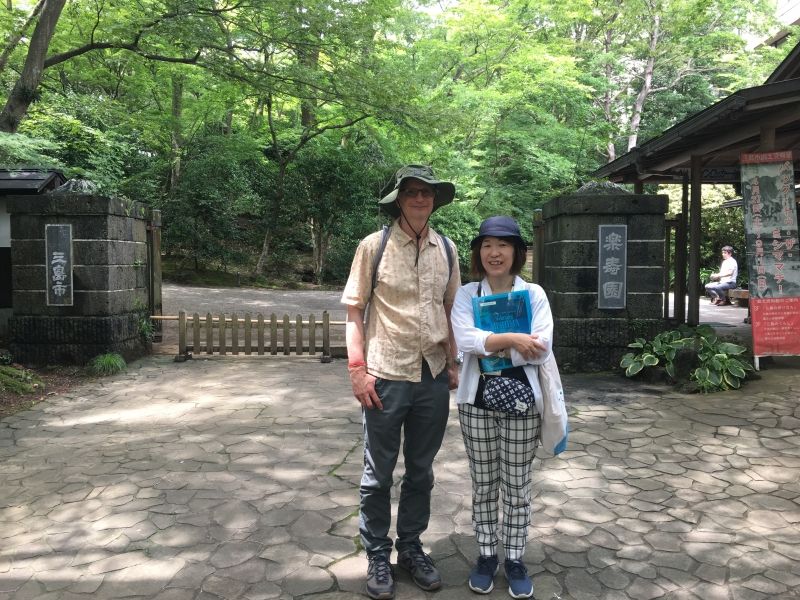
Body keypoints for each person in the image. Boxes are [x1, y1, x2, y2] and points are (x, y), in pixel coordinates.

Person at [341, 164, 461, 600]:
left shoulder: (446, 249)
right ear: (398, 198)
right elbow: (354, 311)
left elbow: (449, 312)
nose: (419, 198)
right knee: (378, 474)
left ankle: (411, 546)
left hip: (430, 375)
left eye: (426, 192)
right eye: (411, 191)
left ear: (434, 199)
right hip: (385, 376)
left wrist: (452, 363)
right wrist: (357, 370)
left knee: (422, 471)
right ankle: (377, 551)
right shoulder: (374, 246)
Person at [451, 216, 554, 599]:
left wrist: (488, 341)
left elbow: (541, 346)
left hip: (523, 403)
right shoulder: (467, 294)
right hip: (475, 403)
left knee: (516, 484)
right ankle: (485, 554)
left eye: (504, 245)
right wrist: (513, 337)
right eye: (487, 245)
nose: (495, 253)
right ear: (479, 252)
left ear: (517, 252)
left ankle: (513, 557)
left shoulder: (535, 295)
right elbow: (464, 338)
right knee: (483, 484)